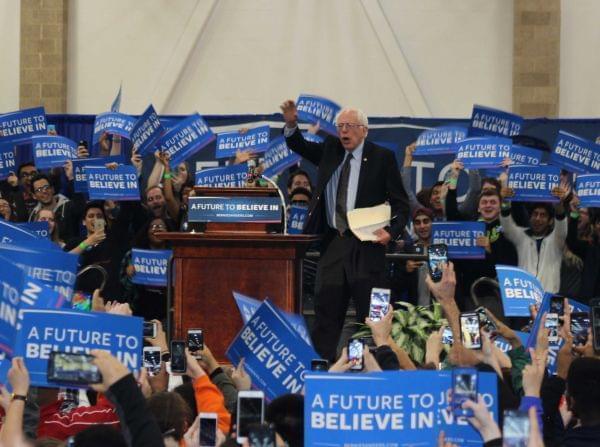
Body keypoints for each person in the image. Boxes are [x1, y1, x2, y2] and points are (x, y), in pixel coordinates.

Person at [280, 99, 410, 361]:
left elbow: (401, 204)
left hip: (368, 245)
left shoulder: (382, 158)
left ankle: (381, 366)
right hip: (334, 243)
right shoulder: (331, 149)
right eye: (340, 126)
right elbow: (299, 145)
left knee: (373, 316)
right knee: (325, 315)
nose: (343, 132)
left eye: (349, 126)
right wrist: (292, 123)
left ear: (364, 129)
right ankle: (319, 371)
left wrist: (391, 232)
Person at [500, 187, 569, 294]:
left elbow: (561, 224)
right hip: (525, 296)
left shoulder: (556, 239)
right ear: (530, 217)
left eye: (543, 215)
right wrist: (505, 202)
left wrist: (559, 205)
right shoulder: (521, 236)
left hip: (549, 297)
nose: (537, 219)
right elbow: (506, 226)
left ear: (550, 221)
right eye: (535, 214)